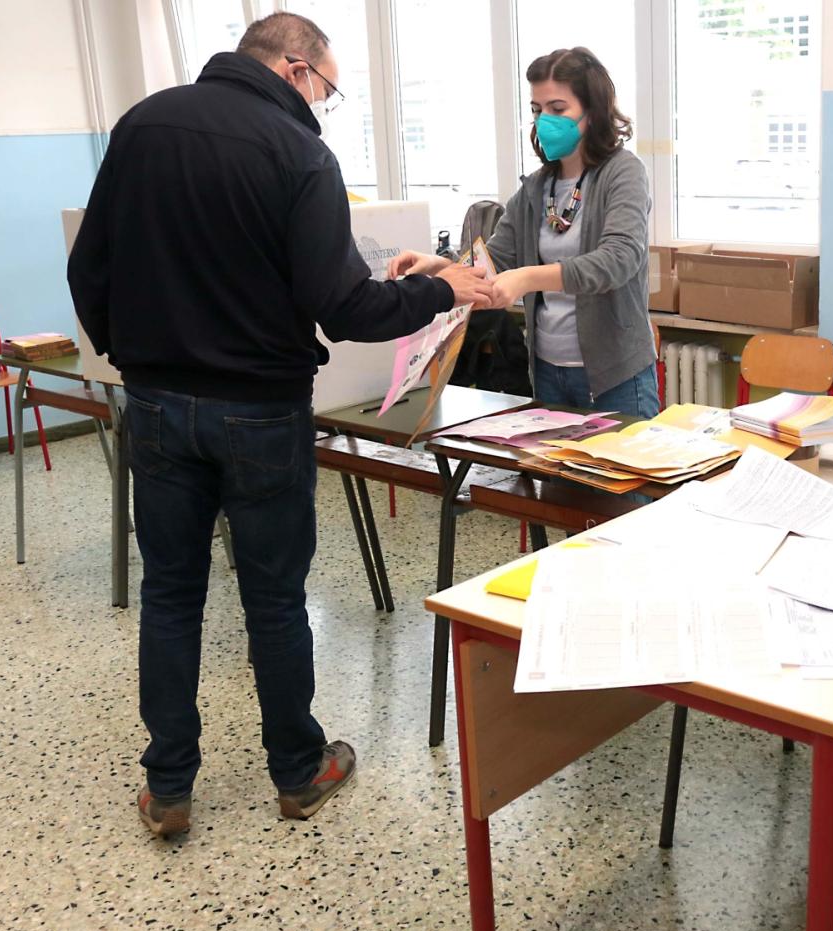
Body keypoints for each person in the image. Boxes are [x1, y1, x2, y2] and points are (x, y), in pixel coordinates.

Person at [66, 13, 497, 838]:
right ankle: (298, 772)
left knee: (170, 593)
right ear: (297, 69)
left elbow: (89, 266)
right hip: (260, 410)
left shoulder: (142, 124)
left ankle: (169, 787)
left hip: (155, 405)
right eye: (328, 88)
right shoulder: (299, 153)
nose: (324, 105)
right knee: (272, 600)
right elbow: (343, 307)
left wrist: (132, 353)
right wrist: (445, 290)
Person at [389, 47, 659, 417]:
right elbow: (494, 260)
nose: (544, 120)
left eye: (558, 109)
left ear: (593, 111)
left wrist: (529, 278)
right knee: (553, 476)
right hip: (548, 373)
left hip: (614, 379)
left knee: (620, 475)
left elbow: (618, 261)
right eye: (537, 110)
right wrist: (438, 265)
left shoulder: (622, 172)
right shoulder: (536, 188)